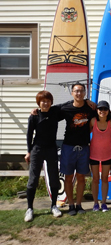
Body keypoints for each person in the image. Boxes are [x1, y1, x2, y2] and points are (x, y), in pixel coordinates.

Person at [24, 91, 62, 222]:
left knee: (54, 178)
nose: (45, 103)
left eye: (48, 100)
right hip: (37, 150)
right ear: (38, 103)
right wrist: (29, 151)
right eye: (43, 101)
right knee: (33, 179)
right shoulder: (34, 116)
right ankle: (30, 209)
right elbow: (29, 135)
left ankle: (54, 206)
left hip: (51, 149)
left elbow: (70, 105)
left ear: (51, 102)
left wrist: (87, 102)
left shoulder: (55, 112)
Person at [60, 82, 95, 216]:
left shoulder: (90, 108)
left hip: (84, 147)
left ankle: (79, 205)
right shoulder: (65, 108)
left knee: (81, 178)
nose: (79, 93)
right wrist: (35, 111)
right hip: (68, 147)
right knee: (68, 178)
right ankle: (70, 205)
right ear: (72, 93)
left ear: (85, 93)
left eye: (81, 91)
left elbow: (105, 112)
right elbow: (49, 112)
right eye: (76, 91)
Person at [89, 100, 111, 212]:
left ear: (108, 110)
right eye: (100, 109)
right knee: (95, 179)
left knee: (105, 179)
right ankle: (96, 203)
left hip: (107, 155)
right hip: (93, 155)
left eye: (105, 109)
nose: (102, 111)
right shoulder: (93, 121)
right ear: (97, 110)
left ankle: (104, 203)